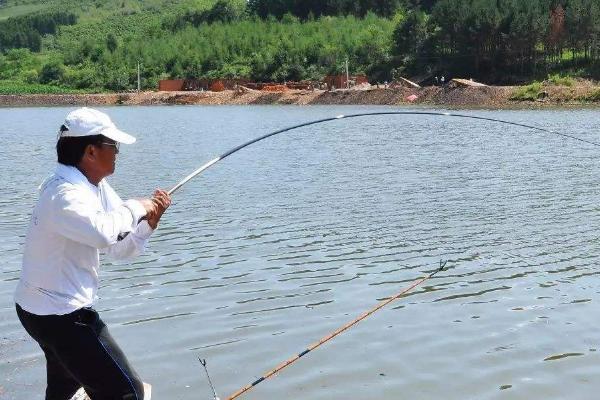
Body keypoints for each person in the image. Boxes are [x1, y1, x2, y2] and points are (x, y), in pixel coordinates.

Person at [14, 107, 171, 400]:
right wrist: (137, 206)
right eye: (113, 145)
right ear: (90, 152)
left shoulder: (94, 187)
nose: (118, 152)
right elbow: (103, 232)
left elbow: (117, 248)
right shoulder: (63, 195)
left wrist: (147, 225)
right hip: (59, 315)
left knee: (66, 386)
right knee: (128, 392)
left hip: (43, 310)